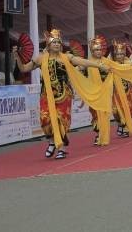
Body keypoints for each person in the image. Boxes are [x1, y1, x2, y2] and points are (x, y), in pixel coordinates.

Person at [13, 29, 109, 159]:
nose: (57, 44)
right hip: (46, 94)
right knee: (45, 119)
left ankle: (62, 149)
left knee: (61, 121)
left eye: (59, 42)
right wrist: (17, 57)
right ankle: (52, 142)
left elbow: (83, 62)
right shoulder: (40, 58)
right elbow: (24, 68)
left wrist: (98, 65)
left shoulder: (66, 57)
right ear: (48, 44)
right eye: (54, 42)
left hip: (64, 94)